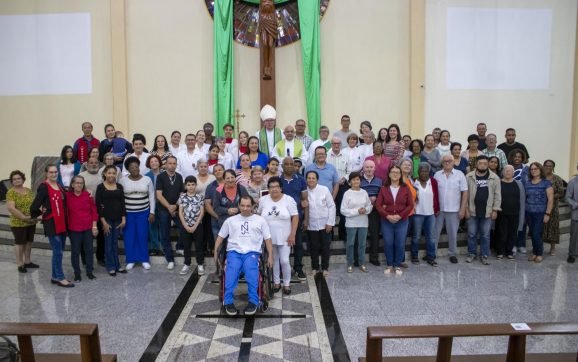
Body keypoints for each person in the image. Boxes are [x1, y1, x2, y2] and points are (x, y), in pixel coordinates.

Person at [214, 196, 273, 316]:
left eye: (248, 206)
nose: (245, 208)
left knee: (251, 271)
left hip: (252, 252)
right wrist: (215, 252)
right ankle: (228, 302)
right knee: (231, 272)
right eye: (243, 205)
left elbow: (268, 239)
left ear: (252, 206)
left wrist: (270, 256)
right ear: (238, 206)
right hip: (234, 252)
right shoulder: (230, 221)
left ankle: (253, 301)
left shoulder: (260, 220)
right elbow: (220, 237)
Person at [30, 165, 73, 287]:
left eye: (55, 172)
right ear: (46, 173)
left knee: (58, 251)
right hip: (52, 224)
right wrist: (41, 214)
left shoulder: (58, 185)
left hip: (62, 222)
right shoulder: (44, 187)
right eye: (51, 172)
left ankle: (55, 276)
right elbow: (34, 206)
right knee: (58, 251)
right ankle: (60, 277)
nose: (54, 174)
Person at [258, 176, 298, 294]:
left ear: (281, 188)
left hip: (285, 236)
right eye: (271, 187)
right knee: (273, 260)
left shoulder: (288, 199)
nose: (274, 189)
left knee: (284, 261)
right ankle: (276, 282)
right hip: (269, 237)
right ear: (268, 188)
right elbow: (259, 215)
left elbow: (295, 217)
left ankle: (286, 283)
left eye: (276, 187)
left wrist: (293, 234)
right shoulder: (263, 200)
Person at [375, 166, 414, 275]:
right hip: (387, 221)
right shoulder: (384, 188)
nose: (395, 174)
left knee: (400, 243)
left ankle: (397, 265)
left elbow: (410, 205)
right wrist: (387, 216)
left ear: (401, 175)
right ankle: (389, 264)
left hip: (402, 221)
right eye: (393, 172)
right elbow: (378, 205)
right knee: (388, 242)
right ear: (389, 174)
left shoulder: (406, 188)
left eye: (398, 172)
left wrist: (400, 216)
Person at [119, 157, 156, 270]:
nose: (135, 169)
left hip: (143, 212)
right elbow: (120, 199)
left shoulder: (147, 180)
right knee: (129, 237)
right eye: (132, 167)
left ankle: (144, 259)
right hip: (128, 213)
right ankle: (131, 260)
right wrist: (122, 215)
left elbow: (151, 197)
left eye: (136, 167)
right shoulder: (123, 181)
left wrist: (152, 212)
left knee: (142, 236)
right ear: (128, 169)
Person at [464, 156, 501, 265]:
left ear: (488, 164)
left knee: (485, 235)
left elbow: (497, 195)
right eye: (480, 163)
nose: (483, 165)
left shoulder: (495, 177)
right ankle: (471, 253)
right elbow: (465, 194)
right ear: (476, 164)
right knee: (471, 234)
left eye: (485, 163)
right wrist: (466, 208)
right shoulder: (469, 176)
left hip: (487, 212)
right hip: (472, 211)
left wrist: (495, 210)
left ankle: (484, 255)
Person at [434, 154, 468, 263]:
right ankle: (432, 253)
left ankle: (452, 253)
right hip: (439, 210)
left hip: (454, 210)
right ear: (442, 163)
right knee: (435, 233)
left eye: (449, 161)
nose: (447, 162)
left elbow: (465, 192)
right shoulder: (437, 174)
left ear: (453, 162)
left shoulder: (460, 174)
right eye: (445, 161)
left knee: (452, 234)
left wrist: (463, 208)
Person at [95, 165, 127, 276]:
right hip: (106, 220)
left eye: (113, 173)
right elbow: (98, 206)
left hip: (118, 219)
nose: (111, 175)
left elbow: (122, 203)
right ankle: (110, 266)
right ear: (104, 174)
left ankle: (117, 265)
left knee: (114, 243)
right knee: (108, 244)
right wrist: (103, 222)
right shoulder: (100, 187)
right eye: (109, 173)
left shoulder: (119, 186)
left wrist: (123, 219)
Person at [280, 157, 308, 281]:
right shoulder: (277, 180)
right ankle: (281, 269)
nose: (290, 166)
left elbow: (304, 201)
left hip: (297, 218)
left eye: (292, 164)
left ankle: (298, 268)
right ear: (282, 166)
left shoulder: (301, 180)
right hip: (280, 219)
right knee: (281, 244)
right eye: (287, 164)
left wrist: (306, 219)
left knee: (298, 245)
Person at [66, 175, 98, 282]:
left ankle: (89, 271)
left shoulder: (88, 196)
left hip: (87, 228)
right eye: (77, 183)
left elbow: (94, 212)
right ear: (72, 184)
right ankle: (77, 273)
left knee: (89, 250)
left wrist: (94, 226)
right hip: (74, 229)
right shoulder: (67, 196)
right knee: (75, 251)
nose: (79, 185)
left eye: (81, 183)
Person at [305, 170, 336, 277]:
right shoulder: (304, 191)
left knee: (325, 247)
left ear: (317, 179)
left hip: (325, 224)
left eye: (313, 178)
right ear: (306, 179)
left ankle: (325, 267)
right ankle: (314, 267)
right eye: (309, 178)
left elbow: (331, 206)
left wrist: (330, 222)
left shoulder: (324, 189)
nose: (311, 180)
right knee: (313, 247)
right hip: (311, 225)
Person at [155, 156, 184, 269]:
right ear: (166, 164)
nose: (172, 165)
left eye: (174, 163)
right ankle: (170, 259)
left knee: (183, 227)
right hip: (163, 208)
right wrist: (169, 207)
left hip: (177, 207)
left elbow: (182, 194)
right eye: (170, 163)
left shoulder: (180, 177)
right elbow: (159, 195)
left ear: (176, 165)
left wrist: (175, 206)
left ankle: (179, 247)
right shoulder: (161, 177)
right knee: (164, 233)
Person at [6, 170, 37, 273]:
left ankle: (27, 261)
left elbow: (34, 203)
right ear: (12, 181)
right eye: (14, 179)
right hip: (18, 222)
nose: (17, 180)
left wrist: (36, 215)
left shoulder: (28, 190)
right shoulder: (11, 192)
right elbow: (11, 208)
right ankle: (20, 264)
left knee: (28, 242)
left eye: (19, 178)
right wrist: (23, 217)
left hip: (31, 221)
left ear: (23, 179)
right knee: (20, 243)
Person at [341, 172, 372, 273]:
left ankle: (362, 263)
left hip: (363, 222)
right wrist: (357, 211)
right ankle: (350, 263)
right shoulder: (347, 193)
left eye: (358, 179)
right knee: (350, 244)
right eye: (354, 180)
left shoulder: (364, 192)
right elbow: (343, 210)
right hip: (351, 223)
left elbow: (369, 206)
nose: (356, 181)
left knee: (362, 244)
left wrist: (365, 210)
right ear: (350, 182)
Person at [524, 162, 553, 263]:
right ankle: (534, 253)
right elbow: (525, 198)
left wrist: (547, 214)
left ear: (540, 170)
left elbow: (550, 199)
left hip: (540, 213)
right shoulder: (528, 183)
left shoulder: (546, 183)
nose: (533, 171)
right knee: (532, 233)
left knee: (536, 233)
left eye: (535, 169)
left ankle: (539, 253)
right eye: (531, 169)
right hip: (528, 212)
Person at [411, 163, 440, 266]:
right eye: (422, 171)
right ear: (418, 172)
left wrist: (437, 208)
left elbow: (436, 196)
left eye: (426, 171)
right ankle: (414, 256)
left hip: (430, 214)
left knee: (431, 237)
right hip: (417, 214)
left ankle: (431, 257)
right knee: (416, 236)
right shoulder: (414, 182)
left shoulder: (433, 182)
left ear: (429, 172)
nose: (424, 173)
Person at [495, 165, 525, 260]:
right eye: (506, 171)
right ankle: (500, 251)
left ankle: (509, 252)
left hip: (515, 213)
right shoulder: (498, 183)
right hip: (501, 213)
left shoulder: (519, 184)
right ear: (503, 172)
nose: (508, 172)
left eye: (510, 171)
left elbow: (522, 199)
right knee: (501, 233)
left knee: (512, 233)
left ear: (513, 173)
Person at [79, 157, 105, 264]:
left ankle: (100, 258)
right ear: (86, 164)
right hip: (85, 210)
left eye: (96, 163)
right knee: (85, 237)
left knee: (101, 236)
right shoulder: (81, 176)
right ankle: (85, 260)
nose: (94, 164)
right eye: (91, 163)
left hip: (100, 210)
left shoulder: (102, 176)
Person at [178, 176, 205, 275]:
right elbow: (180, 213)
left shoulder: (200, 197)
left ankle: (200, 264)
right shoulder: (182, 197)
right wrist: (185, 226)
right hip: (185, 225)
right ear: (185, 186)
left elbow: (202, 212)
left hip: (198, 225)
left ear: (196, 185)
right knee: (186, 246)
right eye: (188, 185)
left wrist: (195, 226)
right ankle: (186, 264)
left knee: (199, 246)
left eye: (193, 184)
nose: (191, 187)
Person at [360, 160, 383, 266]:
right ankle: (359, 257)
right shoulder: (358, 180)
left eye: (371, 167)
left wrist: (376, 200)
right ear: (363, 168)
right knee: (361, 235)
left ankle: (374, 257)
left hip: (374, 210)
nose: (369, 169)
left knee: (374, 234)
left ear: (375, 169)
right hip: (361, 211)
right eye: (367, 167)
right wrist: (366, 200)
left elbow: (383, 196)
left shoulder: (380, 181)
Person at [327, 137, 350, 240]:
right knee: (329, 210)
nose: (336, 145)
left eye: (338, 143)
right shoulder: (326, 155)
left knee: (343, 210)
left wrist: (344, 179)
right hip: (329, 186)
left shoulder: (346, 155)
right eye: (334, 143)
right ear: (331, 144)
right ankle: (329, 235)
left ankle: (342, 235)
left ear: (341, 145)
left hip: (342, 186)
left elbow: (349, 170)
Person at [542, 160, 565, 255]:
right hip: (541, 206)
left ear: (553, 167)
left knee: (553, 226)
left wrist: (550, 196)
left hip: (553, 206)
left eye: (550, 166)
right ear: (543, 166)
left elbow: (561, 192)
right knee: (541, 227)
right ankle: (540, 247)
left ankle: (552, 248)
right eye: (546, 165)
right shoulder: (540, 178)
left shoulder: (557, 179)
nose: (548, 167)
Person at [204, 164, 225, 253]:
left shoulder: (231, 183)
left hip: (230, 218)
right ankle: (219, 265)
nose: (218, 172)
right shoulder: (210, 186)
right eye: (215, 171)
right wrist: (217, 216)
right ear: (213, 173)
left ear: (224, 170)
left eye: (220, 170)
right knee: (218, 245)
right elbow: (207, 204)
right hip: (215, 219)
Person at [145, 155, 163, 256]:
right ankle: (154, 247)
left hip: (162, 204)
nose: (154, 163)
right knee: (152, 226)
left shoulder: (164, 174)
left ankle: (162, 246)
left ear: (159, 162)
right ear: (149, 164)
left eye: (156, 161)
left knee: (162, 226)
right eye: (151, 162)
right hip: (150, 205)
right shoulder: (146, 176)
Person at [565, 162, 578, 263]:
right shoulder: (572, 182)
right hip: (576, 213)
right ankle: (572, 254)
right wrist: (576, 204)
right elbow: (568, 197)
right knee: (574, 235)